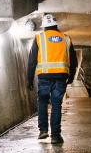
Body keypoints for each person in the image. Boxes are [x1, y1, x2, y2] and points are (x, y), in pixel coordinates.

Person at [27, 13, 77, 144]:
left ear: (44, 27)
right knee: (56, 105)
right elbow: (73, 60)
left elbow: (31, 60)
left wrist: (29, 79)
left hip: (44, 76)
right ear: (56, 25)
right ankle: (55, 136)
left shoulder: (39, 38)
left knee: (42, 102)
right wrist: (71, 76)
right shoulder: (66, 38)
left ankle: (43, 130)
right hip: (61, 77)